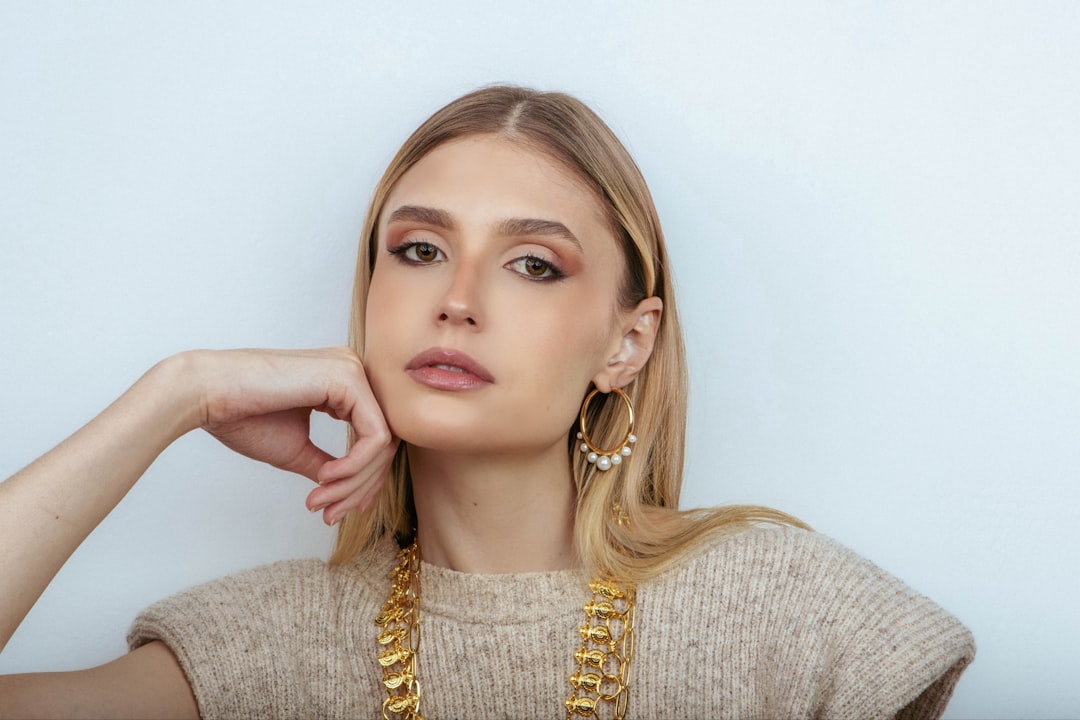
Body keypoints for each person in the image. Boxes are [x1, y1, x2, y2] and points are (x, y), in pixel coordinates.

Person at [0, 85, 973, 719]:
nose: (457, 300)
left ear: (626, 344)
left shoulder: (798, 617)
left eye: (533, 264)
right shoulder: (254, 648)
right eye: (418, 250)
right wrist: (177, 395)